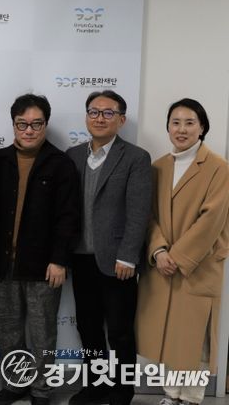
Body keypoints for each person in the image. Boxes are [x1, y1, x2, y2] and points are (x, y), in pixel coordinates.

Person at [0, 94, 81, 405]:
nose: (29, 130)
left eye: (36, 124)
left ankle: (41, 390)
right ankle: (15, 384)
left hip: (43, 266)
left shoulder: (61, 164)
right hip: (3, 261)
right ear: (13, 125)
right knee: (8, 330)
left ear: (45, 125)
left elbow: (69, 217)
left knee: (41, 333)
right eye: (22, 124)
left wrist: (59, 260)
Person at [135, 99, 229, 405]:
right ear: (168, 127)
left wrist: (176, 257)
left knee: (194, 336)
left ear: (202, 127)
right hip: (162, 263)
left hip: (198, 265)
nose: (182, 129)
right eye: (175, 122)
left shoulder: (219, 168)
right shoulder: (158, 167)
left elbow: (212, 220)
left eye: (190, 122)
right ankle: (171, 395)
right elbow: (148, 215)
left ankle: (191, 398)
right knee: (169, 334)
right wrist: (159, 250)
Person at [66, 90, 152, 405]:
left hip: (118, 261)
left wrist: (128, 256)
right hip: (81, 258)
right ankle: (96, 385)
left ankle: (122, 390)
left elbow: (139, 212)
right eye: (94, 111)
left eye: (108, 112)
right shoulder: (73, 155)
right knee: (89, 328)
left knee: (119, 331)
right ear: (86, 116)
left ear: (121, 119)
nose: (99, 118)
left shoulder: (136, 158)